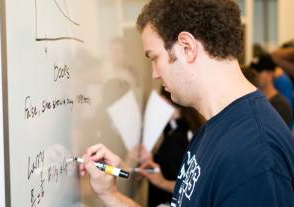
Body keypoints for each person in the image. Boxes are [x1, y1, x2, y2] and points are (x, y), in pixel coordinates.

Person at [79, 0, 294, 206]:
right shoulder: (211, 130)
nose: (154, 74)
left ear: (187, 47)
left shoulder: (255, 158)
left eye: (154, 58)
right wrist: (110, 195)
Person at [141, 88, 205, 207]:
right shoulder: (180, 128)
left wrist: (162, 182)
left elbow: (190, 184)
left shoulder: (179, 138)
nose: (158, 101)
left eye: (163, 97)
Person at [249, 54, 293, 126]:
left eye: (258, 72)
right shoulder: (255, 100)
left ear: (270, 73)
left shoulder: (280, 105)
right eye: (253, 71)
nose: (255, 75)